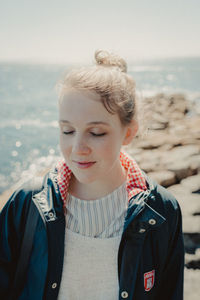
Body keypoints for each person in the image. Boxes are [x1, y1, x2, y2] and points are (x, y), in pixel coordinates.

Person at [0, 50, 185, 300]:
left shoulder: (163, 212)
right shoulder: (26, 204)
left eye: (96, 132)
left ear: (129, 133)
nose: (77, 148)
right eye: (67, 130)